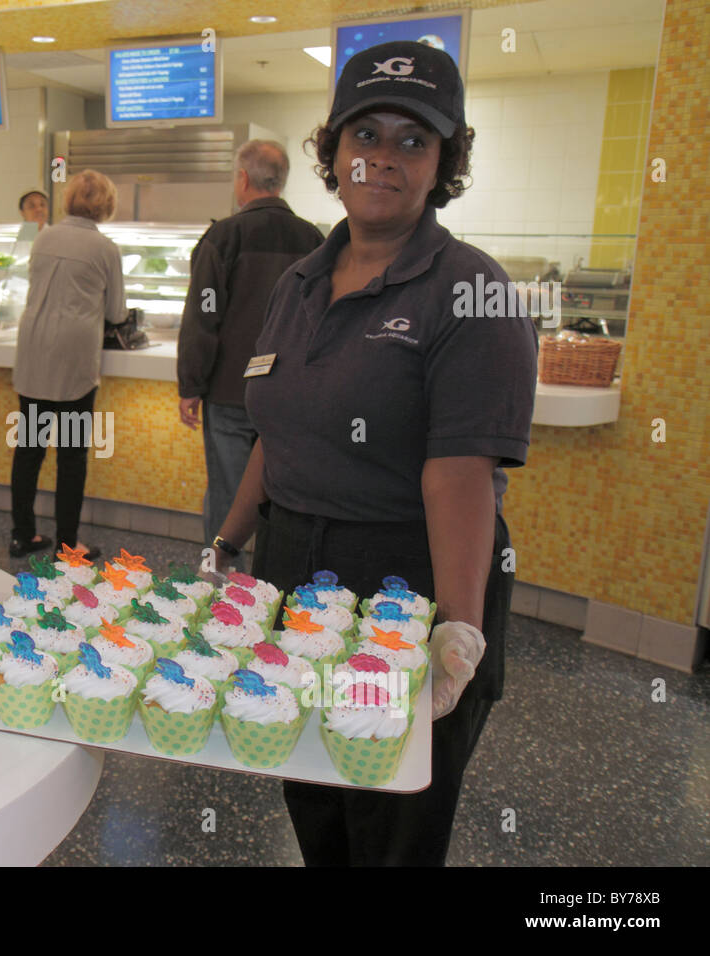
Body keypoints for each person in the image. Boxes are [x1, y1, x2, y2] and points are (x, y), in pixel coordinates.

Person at [211, 41, 537, 866]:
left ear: (443, 163)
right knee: (312, 786)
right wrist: (227, 542)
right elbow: (277, 433)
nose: (383, 158)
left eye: (412, 140)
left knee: (391, 820)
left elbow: (459, 473)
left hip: (408, 581)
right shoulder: (300, 282)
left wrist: (459, 628)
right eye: (365, 136)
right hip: (295, 565)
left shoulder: (472, 291)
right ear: (333, 153)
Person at [177, 141, 324, 570]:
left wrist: (191, 384)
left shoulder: (222, 237)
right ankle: (272, 588)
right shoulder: (315, 239)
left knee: (227, 494)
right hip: (290, 397)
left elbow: (203, 318)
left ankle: (222, 588)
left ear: (243, 179)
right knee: (283, 497)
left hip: (228, 393)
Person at [9, 169, 125, 560]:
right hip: (74, 362)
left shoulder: (43, 237)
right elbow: (116, 313)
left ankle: (22, 535)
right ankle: (66, 544)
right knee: (71, 455)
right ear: (106, 205)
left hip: (33, 352)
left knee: (29, 449)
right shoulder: (105, 248)